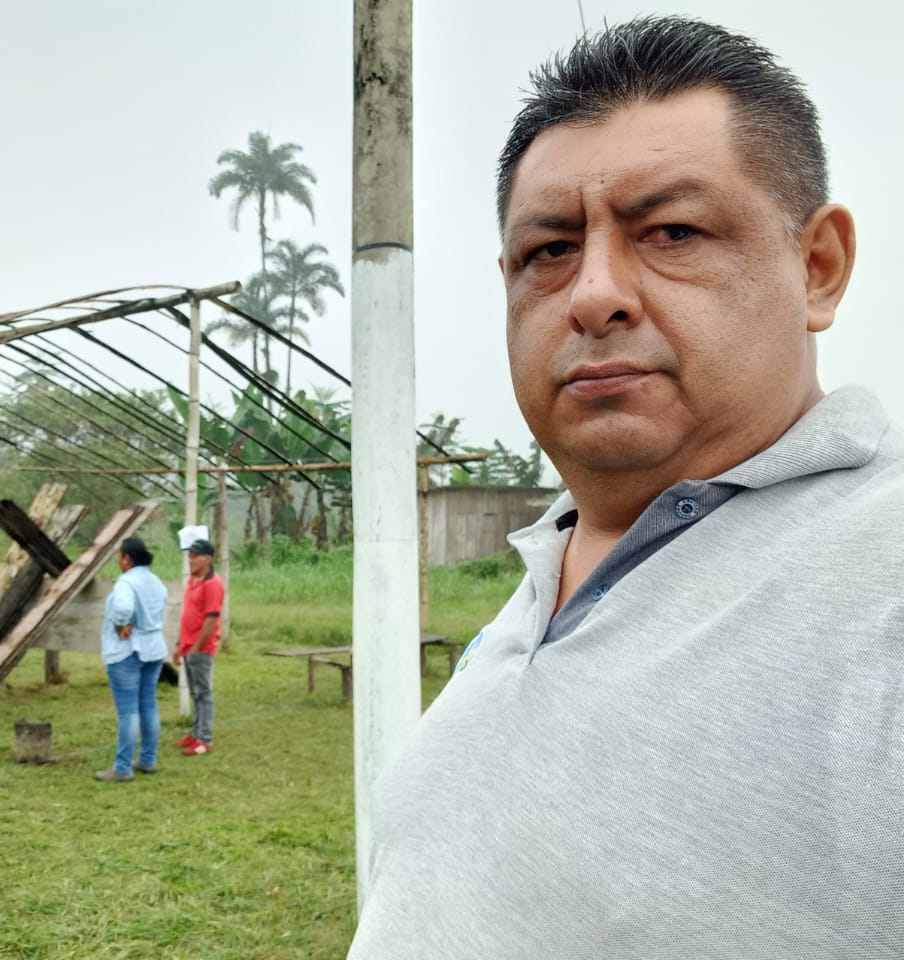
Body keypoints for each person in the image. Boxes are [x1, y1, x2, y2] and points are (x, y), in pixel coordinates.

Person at [349, 15, 904, 957]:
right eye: (549, 250)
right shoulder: (552, 563)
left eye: (673, 231)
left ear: (818, 267)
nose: (592, 294)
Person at [95, 536, 169, 782]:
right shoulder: (155, 581)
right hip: (154, 649)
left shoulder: (126, 582)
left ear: (127, 559)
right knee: (148, 705)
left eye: (119, 555)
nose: (118, 560)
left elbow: (124, 608)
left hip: (128, 651)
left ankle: (123, 767)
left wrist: (121, 623)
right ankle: (147, 758)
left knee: (128, 711)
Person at [173, 538, 223, 756]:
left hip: (200, 648)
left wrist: (196, 647)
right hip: (188, 646)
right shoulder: (193, 581)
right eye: (189, 556)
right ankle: (195, 734)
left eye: (195, 557)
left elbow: (211, 620)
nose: (190, 560)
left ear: (208, 559)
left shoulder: (213, 584)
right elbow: (188, 615)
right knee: (195, 692)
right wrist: (180, 645)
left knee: (203, 693)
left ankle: (204, 739)